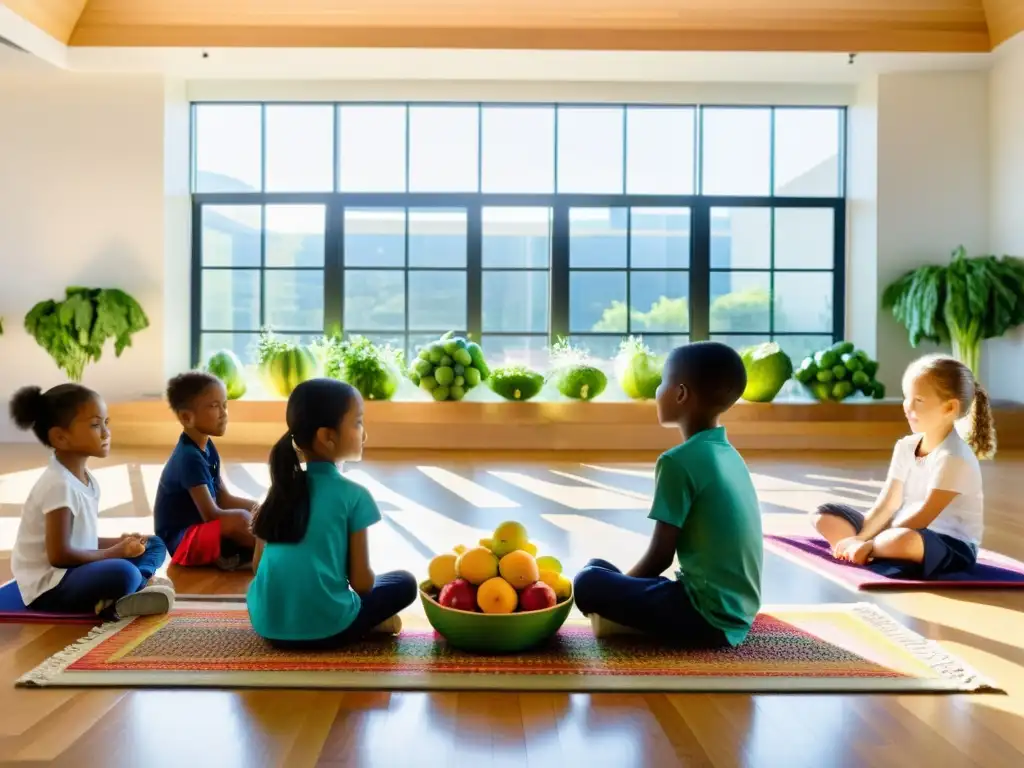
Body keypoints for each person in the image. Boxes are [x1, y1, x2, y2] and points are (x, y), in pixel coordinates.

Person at [573, 342, 763, 648]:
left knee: (587, 582)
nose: (657, 391)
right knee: (598, 567)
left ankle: (620, 620)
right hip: (738, 609)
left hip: (706, 617)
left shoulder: (678, 461)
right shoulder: (727, 452)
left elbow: (660, 557)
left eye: (663, 382)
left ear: (680, 394)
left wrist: (618, 591)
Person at [247, 378, 417, 649]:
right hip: (329, 630)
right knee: (404, 582)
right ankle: (368, 623)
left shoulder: (276, 491)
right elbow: (361, 583)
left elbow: (257, 568)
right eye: (358, 423)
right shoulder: (354, 495)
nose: (364, 434)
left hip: (268, 626)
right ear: (327, 437)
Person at [812, 354, 994, 579]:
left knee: (901, 541)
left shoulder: (954, 457)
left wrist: (871, 540)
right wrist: (862, 537)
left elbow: (924, 516)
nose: (907, 406)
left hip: (947, 544)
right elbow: (888, 503)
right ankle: (868, 552)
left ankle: (873, 552)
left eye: (918, 400)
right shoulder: (906, 446)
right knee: (824, 516)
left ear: (949, 408)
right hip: (899, 527)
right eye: (906, 397)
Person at [9, 384, 173, 618]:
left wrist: (120, 542)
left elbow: (82, 540)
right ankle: (133, 587)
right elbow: (60, 555)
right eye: (96, 425)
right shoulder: (58, 485)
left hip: (76, 569)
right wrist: (115, 552)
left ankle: (135, 587)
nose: (106, 433)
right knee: (122, 572)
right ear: (60, 437)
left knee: (155, 543)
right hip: (51, 585)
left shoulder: (87, 480)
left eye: (106, 423)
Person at [154, 372, 258, 570]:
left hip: (202, 532)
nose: (224, 413)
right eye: (214, 406)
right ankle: (274, 555)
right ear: (186, 417)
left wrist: (259, 507)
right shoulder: (189, 457)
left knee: (252, 513)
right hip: (182, 544)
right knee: (242, 520)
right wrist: (249, 519)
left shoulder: (207, 446)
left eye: (224, 405)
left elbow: (224, 498)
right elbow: (211, 514)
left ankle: (238, 555)